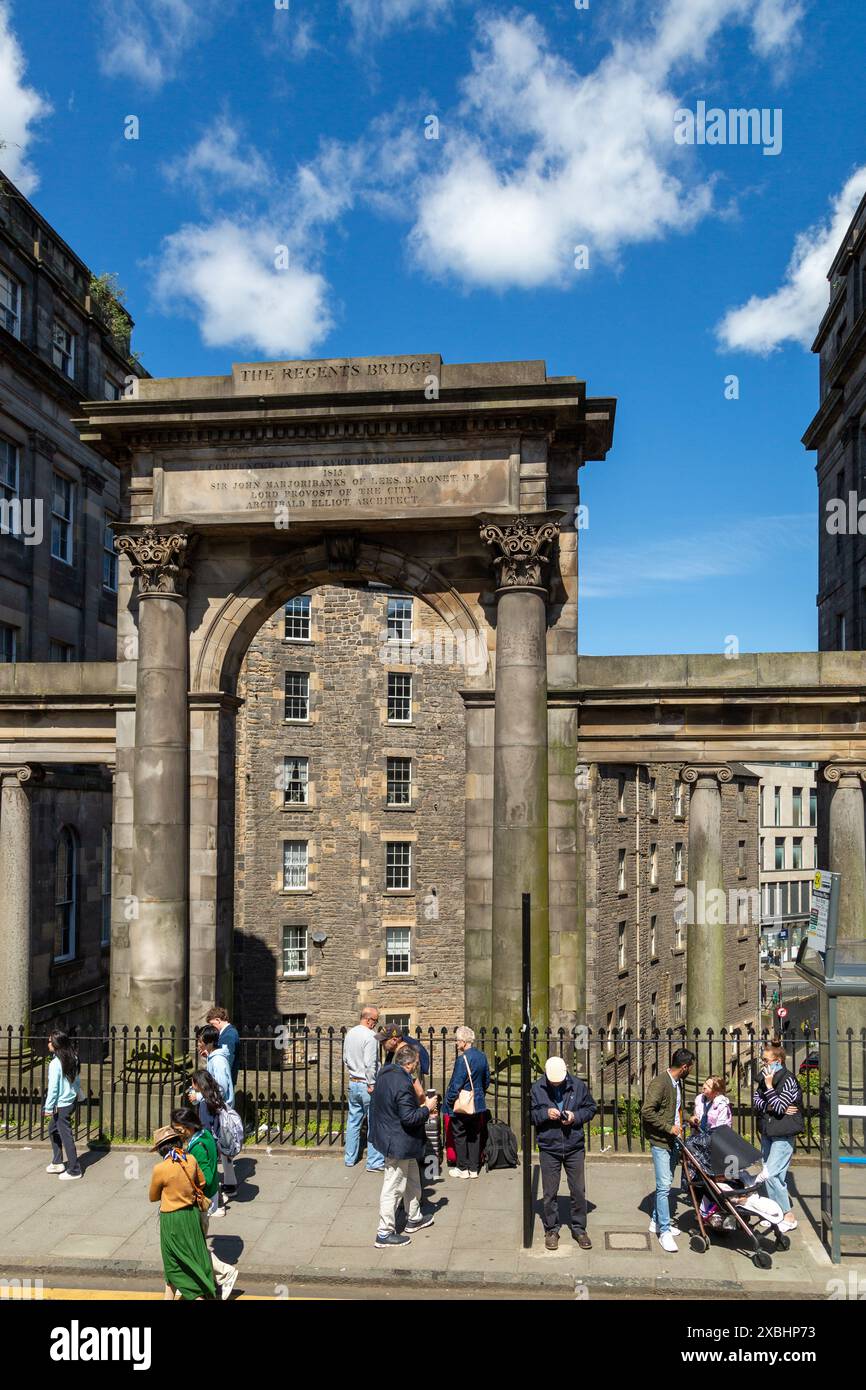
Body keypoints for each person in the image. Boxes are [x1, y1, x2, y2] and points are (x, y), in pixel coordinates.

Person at [369, 1043, 438, 1248]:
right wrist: (427, 1108)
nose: (417, 1067)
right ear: (409, 1064)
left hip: (393, 1137)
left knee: (413, 1179)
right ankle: (384, 1232)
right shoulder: (402, 1083)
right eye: (416, 1063)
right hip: (398, 1141)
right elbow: (409, 1118)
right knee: (393, 1186)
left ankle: (414, 1217)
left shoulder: (385, 1073)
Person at [171, 1106, 238, 1300]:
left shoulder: (198, 1148)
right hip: (208, 1201)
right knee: (196, 1244)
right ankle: (204, 1283)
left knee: (195, 1246)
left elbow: (207, 1177)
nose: (176, 1132)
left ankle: (226, 1273)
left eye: (178, 1128)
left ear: (188, 1126)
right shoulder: (205, 1134)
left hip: (200, 1202)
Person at [531, 1056, 597, 1251]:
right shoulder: (537, 1088)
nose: (556, 1084)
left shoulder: (578, 1085)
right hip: (549, 1146)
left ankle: (579, 1229)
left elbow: (591, 1108)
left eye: (559, 1081)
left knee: (577, 1189)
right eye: (553, 1081)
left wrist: (575, 1117)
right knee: (549, 1192)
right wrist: (545, 1114)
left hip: (573, 1145)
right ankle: (552, 1229)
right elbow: (531, 1115)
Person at [148, 1123, 216, 1301]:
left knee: (173, 1263)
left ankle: (197, 1296)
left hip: (172, 1219)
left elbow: (153, 1196)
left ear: (161, 1149)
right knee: (192, 1257)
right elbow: (202, 1182)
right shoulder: (191, 1160)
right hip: (191, 1215)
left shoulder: (160, 1169)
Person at [640, 1047, 695, 1252]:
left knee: (666, 1182)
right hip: (661, 1141)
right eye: (690, 1067)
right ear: (684, 1067)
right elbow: (647, 1112)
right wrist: (668, 1127)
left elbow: (676, 1108)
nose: (691, 1070)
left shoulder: (676, 1082)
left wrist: (689, 1118)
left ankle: (656, 1221)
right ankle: (664, 1231)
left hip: (673, 1142)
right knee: (664, 1186)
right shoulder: (660, 1083)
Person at [753, 1042, 803, 1234]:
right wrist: (771, 1106)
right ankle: (775, 1213)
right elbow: (757, 1102)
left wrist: (768, 1089)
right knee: (773, 1174)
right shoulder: (763, 1078)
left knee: (771, 1174)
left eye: (766, 1061)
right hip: (768, 1130)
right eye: (763, 1060)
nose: (764, 1064)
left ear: (778, 1061)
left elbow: (782, 1106)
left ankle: (788, 1216)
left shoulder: (788, 1080)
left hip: (783, 1134)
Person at [444, 1026, 490, 1179]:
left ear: (464, 1042)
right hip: (477, 1102)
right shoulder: (482, 1056)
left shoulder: (462, 1059)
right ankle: (474, 1168)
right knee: (475, 1134)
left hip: (462, 1103)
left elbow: (456, 1084)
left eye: (457, 1041)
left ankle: (462, 1168)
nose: (457, 1044)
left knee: (460, 1134)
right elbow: (487, 1080)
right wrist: (478, 1093)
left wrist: (449, 1101)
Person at [188, 1067, 237, 1207]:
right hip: (218, 1140)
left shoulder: (204, 1104)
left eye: (193, 1082)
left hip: (210, 1143)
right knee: (213, 1171)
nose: (192, 1085)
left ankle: (219, 1204)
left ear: (198, 1084)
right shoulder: (215, 1098)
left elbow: (205, 1127)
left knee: (210, 1173)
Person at [343, 1005, 384, 1172]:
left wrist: (353, 1074)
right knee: (374, 1122)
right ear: (368, 1019)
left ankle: (349, 1158)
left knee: (353, 1121)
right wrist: (372, 1083)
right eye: (375, 1020)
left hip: (353, 1081)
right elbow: (370, 1064)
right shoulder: (370, 1036)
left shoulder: (350, 1033)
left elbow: (345, 1059)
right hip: (367, 1084)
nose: (375, 1024)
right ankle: (374, 1162)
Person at [43, 1030, 83, 1181]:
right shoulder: (73, 1057)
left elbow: (53, 1088)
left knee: (66, 1136)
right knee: (53, 1128)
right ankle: (57, 1162)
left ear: (56, 1044)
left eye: (50, 1041)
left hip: (62, 1104)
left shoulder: (55, 1063)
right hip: (70, 1101)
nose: (48, 1044)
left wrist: (48, 1108)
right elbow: (76, 1080)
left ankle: (74, 1169)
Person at [205, 1006, 240, 1087]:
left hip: (223, 1081)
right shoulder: (227, 1033)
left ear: (218, 1020)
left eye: (212, 1024)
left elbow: (226, 1060)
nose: (211, 1027)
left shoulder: (228, 1035)